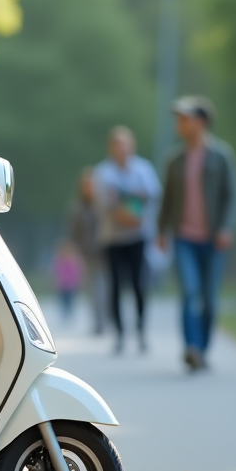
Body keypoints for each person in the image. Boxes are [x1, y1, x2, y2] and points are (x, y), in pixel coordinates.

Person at [156, 96, 236, 372]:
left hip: (214, 239)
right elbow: (166, 199)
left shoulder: (222, 156)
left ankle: (202, 349)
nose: (179, 123)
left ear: (201, 122)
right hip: (184, 238)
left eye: (185, 118)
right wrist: (161, 231)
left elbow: (233, 196)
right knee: (190, 292)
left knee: (209, 297)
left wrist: (227, 227)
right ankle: (191, 347)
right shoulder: (174, 160)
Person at [93, 127, 161, 354]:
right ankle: (120, 332)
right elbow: (103, 204)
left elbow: (152, 195)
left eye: (125, 143)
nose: (121, 148)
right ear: (111, 147)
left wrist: (132, 210)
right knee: (115, 285)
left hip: (138, 236)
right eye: (117, 144)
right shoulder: (103, 173)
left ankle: (141, 328)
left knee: (138, 283)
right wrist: (126, 209)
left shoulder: (143, 169)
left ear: (132, 146)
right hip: (113, 238)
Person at [66, 168, 108, 335]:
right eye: (87, 185)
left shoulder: (104, 205)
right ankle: (98, 321)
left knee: (104, 288)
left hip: (105, 253)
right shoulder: (77, 208)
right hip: (87, 254)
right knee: (92, 290)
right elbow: (73, 232)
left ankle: (105, 318)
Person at [52, 240, 84, 319]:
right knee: (63, 300)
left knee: (70, 300)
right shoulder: (59, 260)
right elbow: (56, 272)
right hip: (62, 285)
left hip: (71, 285)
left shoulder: (74, 260)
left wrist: (78, 281)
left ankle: (70, 314)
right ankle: (65, 314)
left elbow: (78, 272)